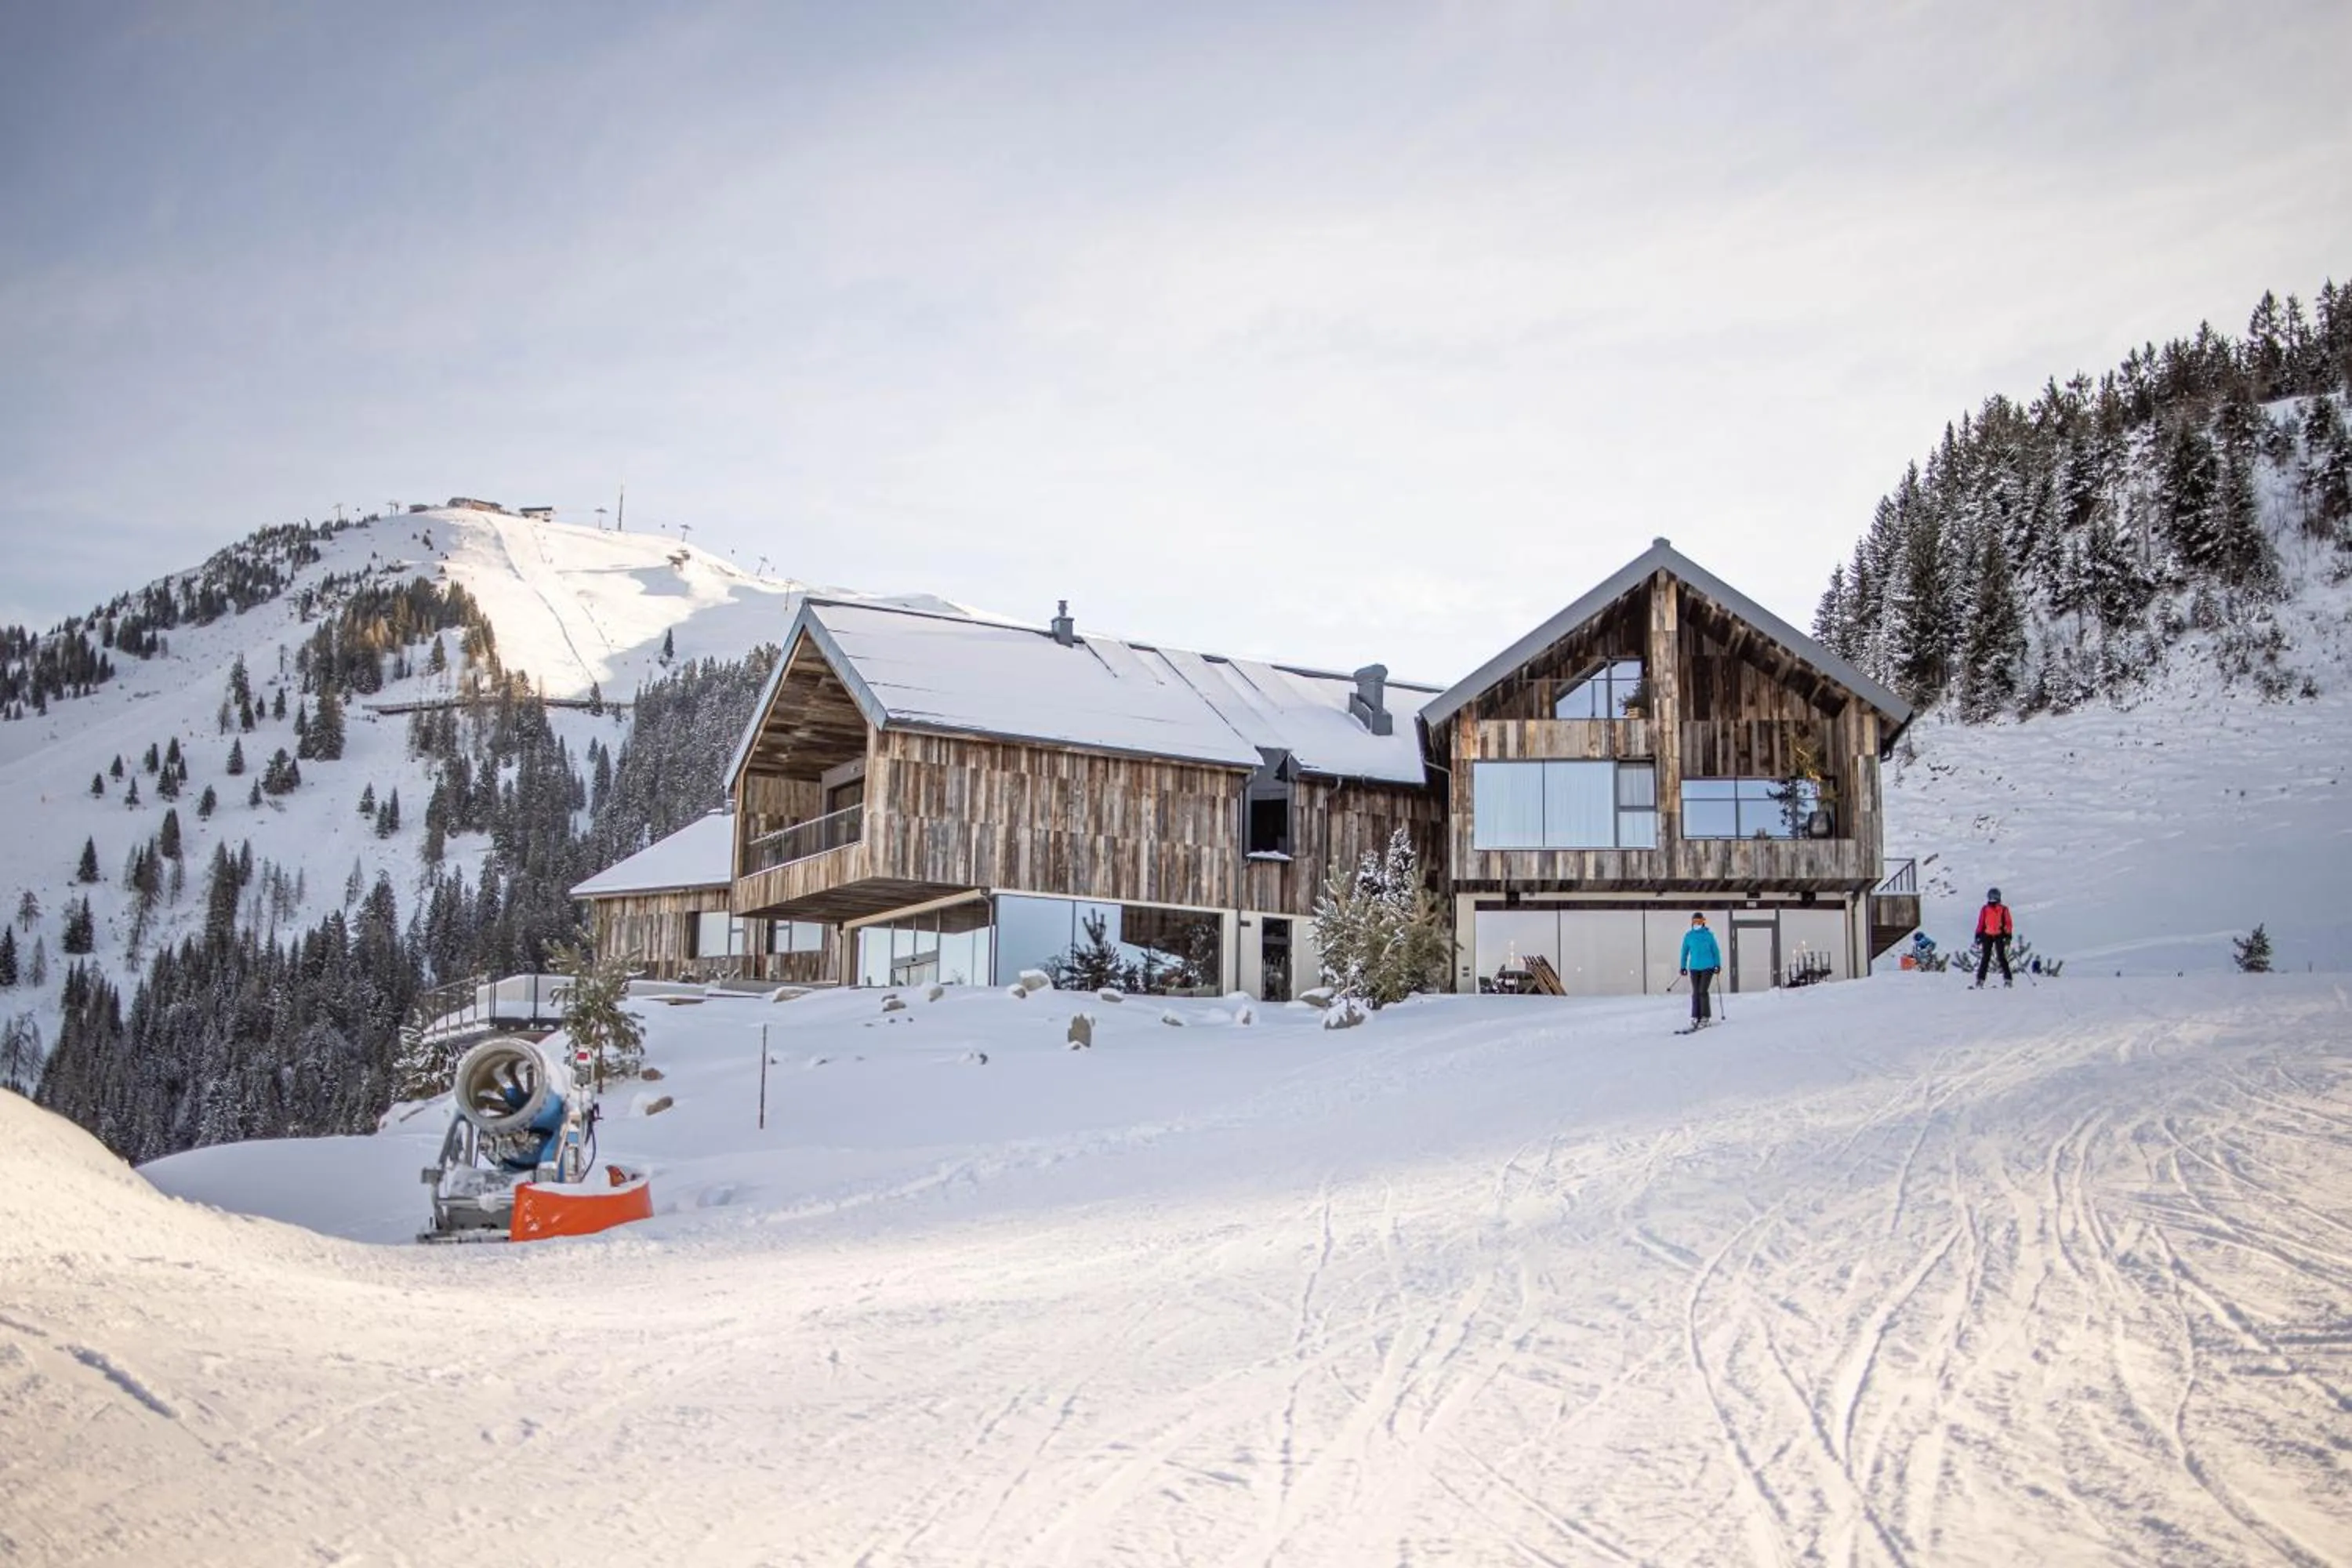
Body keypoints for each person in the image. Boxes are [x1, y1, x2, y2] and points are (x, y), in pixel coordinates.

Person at [1679, 913, 1722, 1026]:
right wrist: (1683, 967)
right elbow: (1684, 952)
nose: (1697, 924)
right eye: (1695, 922)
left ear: (1703, 922)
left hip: (1708, 967)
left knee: (1702, 991)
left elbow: (1715, 951)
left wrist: (1717, 965)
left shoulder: (1709, 935)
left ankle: (1705, 1016)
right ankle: (1695, 1016)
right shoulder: (1689, 936)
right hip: (1694, 968)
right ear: (1692, 923)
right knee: (1696, 992)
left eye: (1699, 922)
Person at [1974, 887, 2014, 988]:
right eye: (1991, 896)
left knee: (2001, 957)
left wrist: (2008, 935)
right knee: (1985, 957)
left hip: (1999, 934)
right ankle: (1980, 979)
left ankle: (2008, 979)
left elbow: (2008, 923)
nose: (1993, 899)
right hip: (1987, 934)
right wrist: (1978, 934)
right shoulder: (1985, 909)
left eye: (1994, 896)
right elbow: (1981, 923)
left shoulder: (2003, 909)